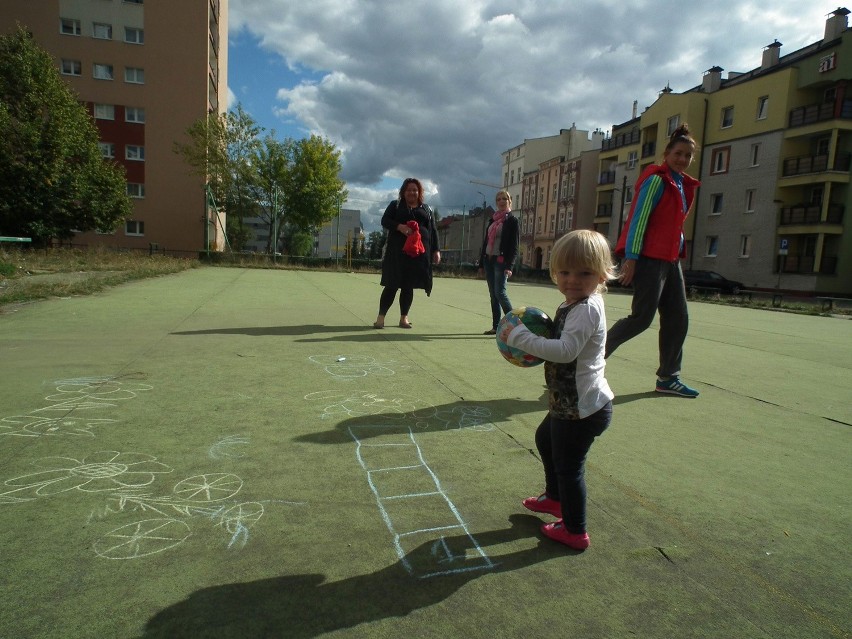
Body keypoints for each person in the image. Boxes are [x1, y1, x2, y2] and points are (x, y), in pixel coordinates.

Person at [500, 229, 615, 550]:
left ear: (603, 274)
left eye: (584, 273)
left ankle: (575, 530)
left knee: (569, 468)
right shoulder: (576, 302)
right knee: (544, 438)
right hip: (568, 403)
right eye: (564, 272)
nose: (572, 280)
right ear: (554, 272)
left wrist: (521, 337)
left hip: (582, 409)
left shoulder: (587, 309)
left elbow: (565, 351)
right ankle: (554, 499)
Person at [606, 124, 701, 398]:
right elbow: (638, 220)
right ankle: (586, 360)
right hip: (649, 259)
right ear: (667, 153)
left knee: (678, 318)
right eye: (678, 153)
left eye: (687, 156)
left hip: (671, 261)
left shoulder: (681, 184)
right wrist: (631, 259)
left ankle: (668, 378)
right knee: (641, 318)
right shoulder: (657, 181)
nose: (682, 159)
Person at [373, 178, 441, 329]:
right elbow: (385, 220)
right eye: (409, 190)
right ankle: (380, 318)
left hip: (417, 255)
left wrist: (436, 250)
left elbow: (433, 230)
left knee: (408, 286)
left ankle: (404, 318)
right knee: (391, 284)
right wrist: (400, 227)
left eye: (415, 190)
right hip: (397, 253)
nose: (412, 192)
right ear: (403, 192)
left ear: (419, 192)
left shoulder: (427, 209)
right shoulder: (395, 205)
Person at [479, 190, 519, 335]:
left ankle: (515, 326)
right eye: (498, 199)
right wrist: (481, 264)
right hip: (489, 259)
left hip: (501, 261)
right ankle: (496, 327)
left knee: (500, 292)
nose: (501, 201)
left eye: (504, 199)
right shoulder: (493, 220)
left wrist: (510, 266)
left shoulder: (512, 221)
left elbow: (514, 246)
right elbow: (485, 243)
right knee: (493, 294)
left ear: (509, 201)